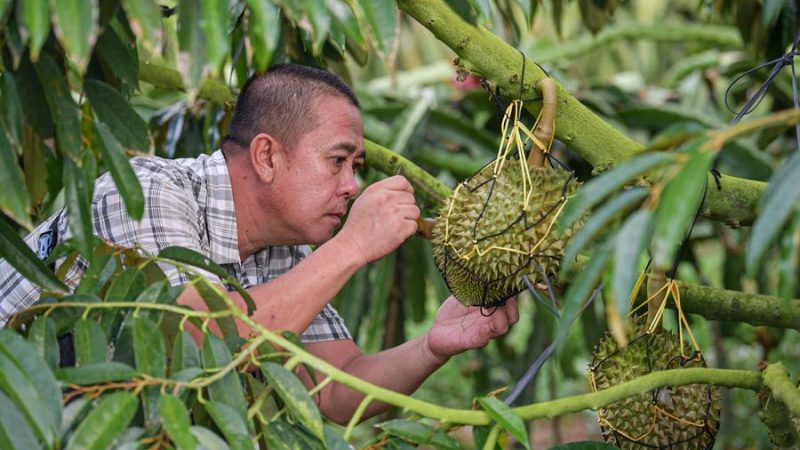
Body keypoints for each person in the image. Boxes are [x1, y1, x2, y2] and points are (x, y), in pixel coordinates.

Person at [0, 64, 518, 423]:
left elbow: (336, 389)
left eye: (355, 168)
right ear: (267, 157)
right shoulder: (147, 192)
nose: (351, 186)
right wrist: (353, 246)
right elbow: (195, 341)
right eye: (337, 161)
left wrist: (434, 344)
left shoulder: (283, 248)